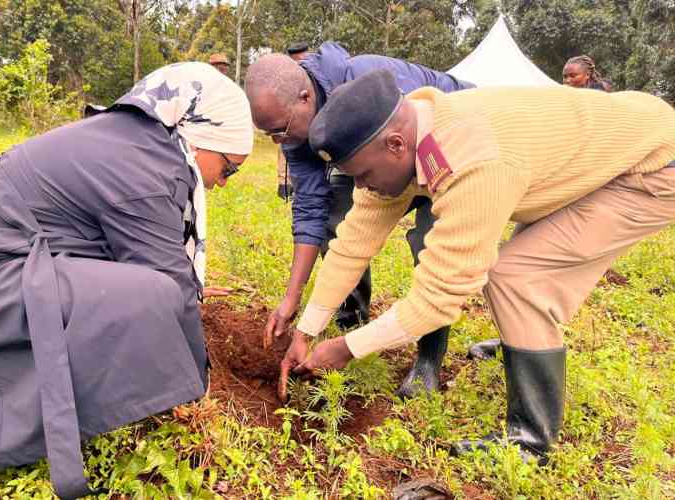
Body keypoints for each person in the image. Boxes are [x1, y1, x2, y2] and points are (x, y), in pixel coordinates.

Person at [0, 62, 253, 499]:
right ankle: (11, 423)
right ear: (196, 139)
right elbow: (169, 284)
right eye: (228, 169)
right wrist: (197, 389)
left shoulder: (132, 141)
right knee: (153, 294)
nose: (222, 184)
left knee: (139, 290)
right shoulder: (142, 166)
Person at [285, 69, 675, 462]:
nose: (361, 187)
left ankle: (531, 440)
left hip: (651, 168)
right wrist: (306, 330)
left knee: (517, 278)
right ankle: (521, 339)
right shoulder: (403, 135)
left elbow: (438, 298)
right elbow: (353, 244)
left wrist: (347, 347)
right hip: (596, 155)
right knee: (523, 268)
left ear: (396, 145)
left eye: (363, 175)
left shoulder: (473, 160)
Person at [244, 41, 490, 399]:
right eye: (269, 135)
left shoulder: (370, 82)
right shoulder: (295, 134)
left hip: (448, 148)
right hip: (386, 158)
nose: (279, 141)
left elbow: (416, 135)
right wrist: (293, 303)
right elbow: (312, 209)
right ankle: (351, 318)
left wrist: (348, 349)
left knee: (429, 240)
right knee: (338, 220)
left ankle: (428, 360)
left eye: (280, 130)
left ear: (304, 98)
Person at [276, 42, 311, 200]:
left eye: (303, 60)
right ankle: (284, 186)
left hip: (311, 122)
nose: (300, 65)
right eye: (297, 61)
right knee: (286, 150)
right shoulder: (284, 77)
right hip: (290, 120)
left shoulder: (314, 73)